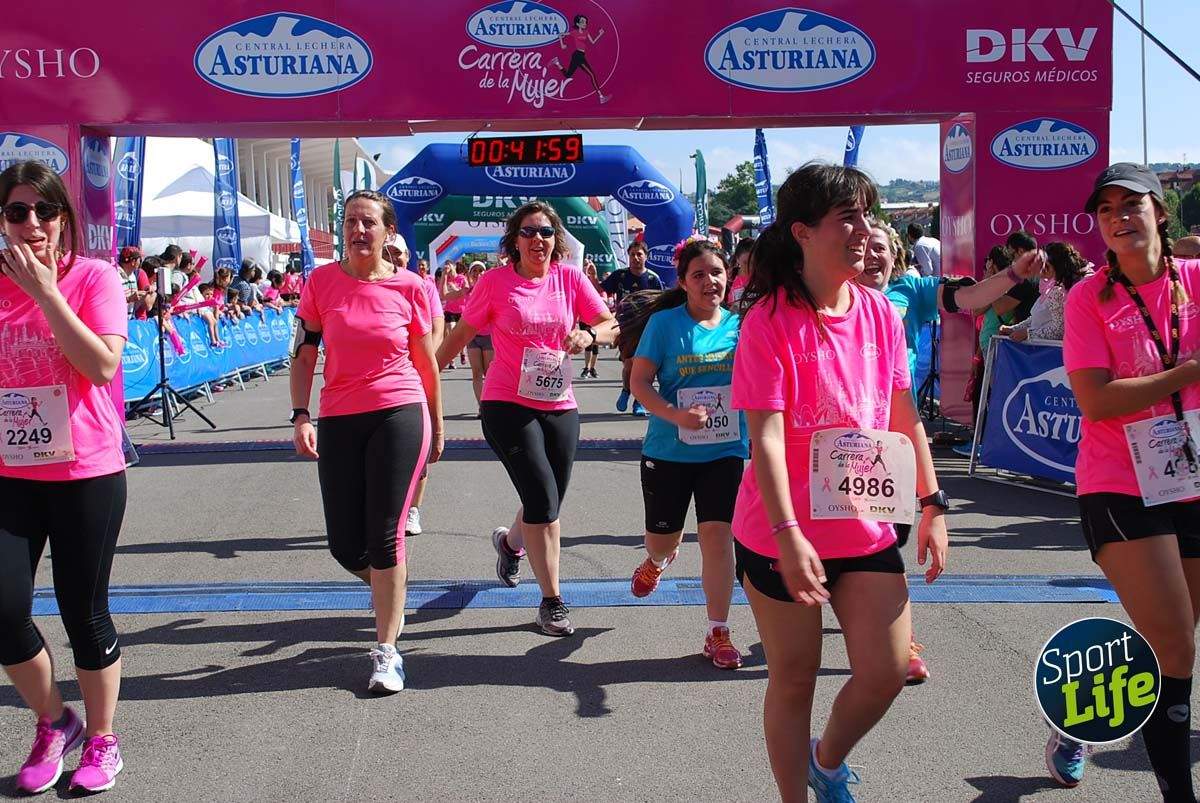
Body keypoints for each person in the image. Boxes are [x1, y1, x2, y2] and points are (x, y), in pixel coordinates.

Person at [731, 163, 948, 802]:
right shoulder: (768, 321)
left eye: (868, 215)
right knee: (794, 679)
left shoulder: (880, 312)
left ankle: (826, 763)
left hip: (864, 523)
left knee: (883, 671)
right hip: (781, 534)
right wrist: (788, 533)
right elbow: (765, 436)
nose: (865, 231)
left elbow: (903, 415)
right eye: (847, 218)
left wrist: (932, 503)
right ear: (802, 232)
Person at [1061, 163, 1200, 799]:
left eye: (1132, 205)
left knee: (1169, 636)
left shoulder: (1194, 280)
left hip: (1191, 474)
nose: (1119, 217)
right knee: (1175, 647)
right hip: (1119, 480)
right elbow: (1098, 401)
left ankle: (1083, 715)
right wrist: (1188, 372)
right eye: (1106, 209)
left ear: (1160, 212)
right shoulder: (1089, 298)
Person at [855, 217, 1038, 684]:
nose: (874, 255)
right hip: (836, 440)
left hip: (894, 437)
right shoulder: (826, 298)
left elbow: (971, 297)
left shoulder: (911, 293)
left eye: (882, 247)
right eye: (866, 246)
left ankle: (902, 637)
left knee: (886, 544)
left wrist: (1013, 275)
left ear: (895, 254)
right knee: (846, 544)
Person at [0, 160, 131, 793]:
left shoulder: (95, 277)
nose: (32, 225)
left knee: (85, 613)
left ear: (64, 220)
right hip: (11, 473)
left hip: (86, 470)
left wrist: (47, 291)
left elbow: (102, 365)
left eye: (43, 212)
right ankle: (56, 722)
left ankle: (103, 739)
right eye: (16, 212)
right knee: (1, 610)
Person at [435, 200, 617, 636]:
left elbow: (611, 324)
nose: (539, 240)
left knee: (547, 499)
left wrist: (589, 333)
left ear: (557, 241)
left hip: (559, 403)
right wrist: (420, 383)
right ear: (514, 242)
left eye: (546, 233)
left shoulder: (570, 279)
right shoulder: (496, 283)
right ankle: (552, 601)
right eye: (529, 232)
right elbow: (459, 334)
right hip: (506, 403)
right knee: (542, 502)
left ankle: (510, 544)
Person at [290, 190, 443, 693]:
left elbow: (426, 365)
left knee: (384, 535)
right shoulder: (322, 283)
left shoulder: (411, 287)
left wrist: (437, 426)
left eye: (368, 222)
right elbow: (306, 353)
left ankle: (387, 651)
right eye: (351, 221)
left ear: (387, 232)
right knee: (343, 544)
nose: (359, 230)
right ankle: (390, 585)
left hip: (398, 412)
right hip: (338, 416)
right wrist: (300, 414)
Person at [623, 236, 750, 669]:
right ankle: (658, 560)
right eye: (699, 275)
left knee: (718, 537)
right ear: (683, 281)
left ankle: (718, 629)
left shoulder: (740, 326)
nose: (709, 281)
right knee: (663, 538)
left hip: (726, 448)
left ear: (727, 277)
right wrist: (676, 415)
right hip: (669, 448)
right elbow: (639, 382)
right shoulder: (665, 325)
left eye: (716, 272)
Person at [383, 242, 444, 538]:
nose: (392, 257)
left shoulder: (421, 285)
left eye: (399, 253)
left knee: (418, 447)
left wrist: (423, 361)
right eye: (388, 252)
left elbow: (437, 325)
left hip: (413, 376)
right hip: (380, 383)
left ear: (408, 257)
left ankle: (413, 509)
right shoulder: (364, 281)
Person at [603, 240, 663, 415]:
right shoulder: (619, 276)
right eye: (632, 255)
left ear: (646, 256)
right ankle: (626, 390)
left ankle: (639, 402)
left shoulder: (653, 279)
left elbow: (662, 304)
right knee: (629, 365)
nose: (636, 258)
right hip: (626, 329)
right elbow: (599, 290)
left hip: (647, 329)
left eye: (639, 254)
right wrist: (591, 278)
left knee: (645, 366)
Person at [1000, 242, 1091, 342]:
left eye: (1046, 266)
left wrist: (1028, 334)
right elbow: (1037, 318)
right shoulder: (1052, 285)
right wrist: (1014, 329)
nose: (1041, 270)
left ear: (1059, 266)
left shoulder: (1062, 289)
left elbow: (1059, 331)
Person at [550, 14, 609, 103]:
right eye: (582, 22)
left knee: (568, 75)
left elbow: (592, 42)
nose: (584, 23)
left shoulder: (586, 32)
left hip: (580, 55)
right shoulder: (574, 32)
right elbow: (561, 34)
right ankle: (601, 97)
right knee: (592, 74)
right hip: (578, 55)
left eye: (585, 22)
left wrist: (600, 34)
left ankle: (557, 62)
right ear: (577, 24)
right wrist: (562, 44)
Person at [463, 261, 495, 406]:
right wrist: (445, 275)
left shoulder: (492, 289)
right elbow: (444, 295)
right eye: (474, 271)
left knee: (488, 374)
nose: (477, 273)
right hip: (473, 336)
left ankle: (490, 405)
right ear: (470, 274)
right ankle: (481, 407)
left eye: (480, 270)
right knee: (476, 373)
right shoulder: (466, 291)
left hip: (489, 336)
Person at [116, 246, 152, 319]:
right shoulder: (115, 275)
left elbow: (134, 307)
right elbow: (112, 303)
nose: (140, 262)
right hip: (117, 322)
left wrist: (144, 294)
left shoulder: (132, 276)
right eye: (140, 260)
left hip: (128, 320)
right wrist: (129, 299)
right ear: (133, 262)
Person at [728, 236, 755, 305]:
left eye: (753, 262)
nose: (750, 267)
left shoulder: (763, 278)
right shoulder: (729, 278)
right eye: (745, 262)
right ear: (737, 259)